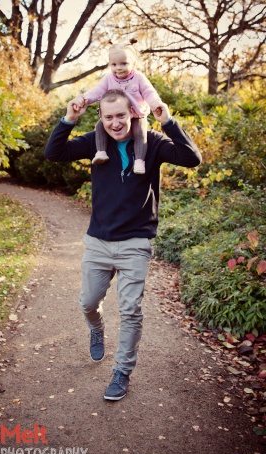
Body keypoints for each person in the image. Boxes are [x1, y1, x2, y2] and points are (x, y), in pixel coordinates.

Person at [44, 89, 201, 401]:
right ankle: (97, 328)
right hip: (99, 242)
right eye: (108, 116)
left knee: (130, 310)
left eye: (120, 115)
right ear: (101, 118)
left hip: (135, 244)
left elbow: (191, 158)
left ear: (132, 112)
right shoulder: (94, 142)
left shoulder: (152, 142)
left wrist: (167, 121)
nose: (115, 122)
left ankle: (122, 372)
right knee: (88, 303)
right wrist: (69, 120)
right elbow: (54, 153)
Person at [71, 43, 163, 174]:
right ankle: (101, 152)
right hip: (119, 115)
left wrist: (155, 103)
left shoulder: (139, 78)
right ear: (110, 65)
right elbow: (97, 91)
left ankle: (139, 161)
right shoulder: (109, 78)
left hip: (137, 114)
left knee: (140, 133)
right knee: (100, 126)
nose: (118, 68)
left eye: (124, 64)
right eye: (114, 65)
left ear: (133, 64)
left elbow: (149, 92)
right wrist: (84, 99)